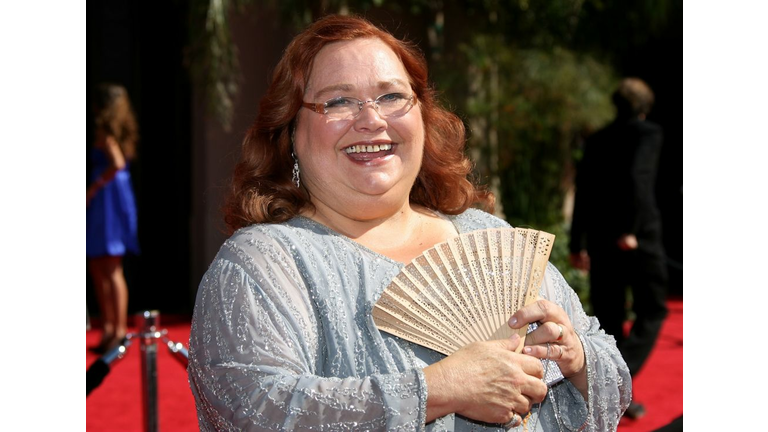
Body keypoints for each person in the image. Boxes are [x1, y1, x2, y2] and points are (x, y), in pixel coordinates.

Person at [188, 14, 630, 431]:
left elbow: (612, 374)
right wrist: (437, 390)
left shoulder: (485, 233)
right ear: (290, 134)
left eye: (392, 96)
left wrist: (576, 359)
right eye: (338, 101)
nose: (371, 119)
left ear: (422, 114)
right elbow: (256, 409)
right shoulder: (262, 264)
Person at [568, 77, 668, 420]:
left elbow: (584, 192)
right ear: (644, 107)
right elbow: (639, 178)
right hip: (635, 238)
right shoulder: (647, 134)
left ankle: (615, 392)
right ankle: (615, 382)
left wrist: (576, 242)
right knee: (653, 309)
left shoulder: (598, 139)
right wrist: (631, 229)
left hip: (600, 238)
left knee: (608, 316)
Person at [86, 83, 140, 354]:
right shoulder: (122, 131)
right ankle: (113, 330)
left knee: (106, 267)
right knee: (107, 267)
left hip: (105, 203)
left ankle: (116, 330)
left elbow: (116, 163)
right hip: (114, 200)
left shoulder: (107, 133)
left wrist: (93, 188)